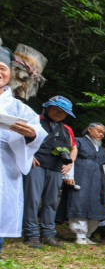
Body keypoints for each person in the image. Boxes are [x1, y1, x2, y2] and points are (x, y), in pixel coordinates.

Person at [0, 46, 46, 258]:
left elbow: (37, 131)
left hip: (3, 168)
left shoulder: (19, 108)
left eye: (3, 68)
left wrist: (30, 135)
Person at [22, 95, 78, 249]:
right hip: (36, 166)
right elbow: (19, 138)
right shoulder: (35, 120)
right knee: (32, 200)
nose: (59, 113)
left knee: (51, 202)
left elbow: (74, 148)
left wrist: (70, 163)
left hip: (56, 169)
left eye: (63, 111)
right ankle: (31, 235)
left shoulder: (67, 129)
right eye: (56, 109)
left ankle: (48, 234)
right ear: (48, 107)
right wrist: (27, 155)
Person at [57, 123, 105, 244]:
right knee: (79, 204)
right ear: (89, 129)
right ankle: (80, 235)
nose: (101, 134)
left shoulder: (102, 150)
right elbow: (71, 159)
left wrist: (104, 186)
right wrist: (68, 176)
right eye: (98, 131)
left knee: (95, 207)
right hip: (81, 178)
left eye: (103, 133)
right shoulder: (78, 142)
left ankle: (87, 234)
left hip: (97, 182)